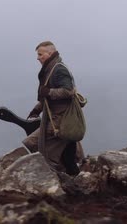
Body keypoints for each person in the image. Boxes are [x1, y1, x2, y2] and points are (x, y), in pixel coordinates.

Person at [22, 41, 83, 175]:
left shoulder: (58, 69)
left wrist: (49, 92)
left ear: (49, 53)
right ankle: (74, 180)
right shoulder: (50, 69)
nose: (38, 58)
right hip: (56, 119)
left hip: (61, 121)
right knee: (68, 158)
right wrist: (38, 109)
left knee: (33, 145)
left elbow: (68, 91)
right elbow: (47, 96)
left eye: (40, 54)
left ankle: (55, 181)